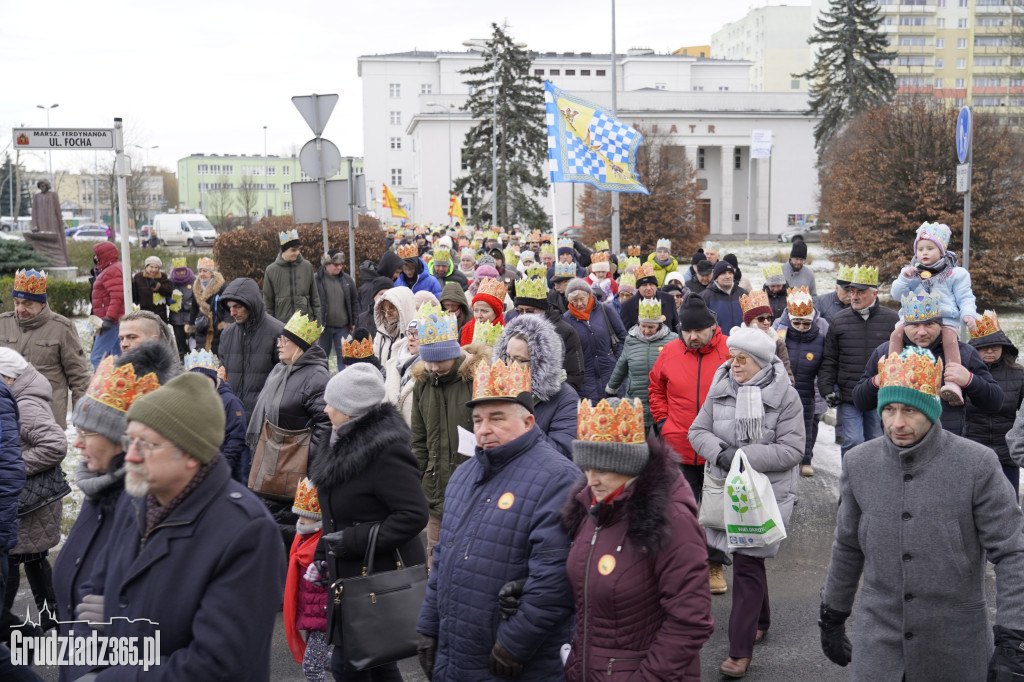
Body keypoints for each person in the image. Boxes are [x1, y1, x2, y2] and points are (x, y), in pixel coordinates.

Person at [820, 347, 1024, 681]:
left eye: (910, 411)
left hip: (955, 647)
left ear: (931, 412)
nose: (897, 423)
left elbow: (1012, 551)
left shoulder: (977, 465)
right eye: (889, 410)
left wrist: (1013, 639)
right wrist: (833, 612)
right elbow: (847, 545)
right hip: (879, 646)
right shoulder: (859, 463)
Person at [81, 371, 286, 680]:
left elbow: (218, 667)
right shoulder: (136, 498)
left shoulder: (247, 531)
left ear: (191, 454)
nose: (130, 456)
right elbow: (95, 590)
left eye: (146, 444)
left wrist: (111, 676)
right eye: (129, 440)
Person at [416, 359, 579, 681]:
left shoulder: (559, 479)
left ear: (529, 421)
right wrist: (428, 625)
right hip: (458, 650)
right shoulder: (464, 476)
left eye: (497, 418)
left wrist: (515, 642)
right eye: (477, 420)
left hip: (512, 658)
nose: (483, 429)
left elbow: (556, 577)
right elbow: (444, 558)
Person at [53, 340, 178, 682]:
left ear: (123, 441)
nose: (76, 443)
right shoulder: (99, 489)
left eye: (87, 433)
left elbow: (176, 629)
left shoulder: (144, 505)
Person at [563, 398, 713, 681]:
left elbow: (690, 622)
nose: (590, 480)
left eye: (602, 469)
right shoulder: (590, 508)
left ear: (629, 466)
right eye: (586, 468)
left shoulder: (672, 520)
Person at [688, 326, 804, 678]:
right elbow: (697, 431)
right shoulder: (721, 385)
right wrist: (721, 454)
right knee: (748, 558)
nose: (734, 364)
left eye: (742, 359)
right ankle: (761, 619)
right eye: (732, 357)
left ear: (762, 363)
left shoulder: (786, 396)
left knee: (749, 560)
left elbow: (793, 450)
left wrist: (744, 456)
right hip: (727, 485)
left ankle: (739, 650)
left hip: (767, 491)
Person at [311, 365, 429, 680]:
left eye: (332, 403)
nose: (325, 408)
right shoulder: (336, 440)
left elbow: (414, 514)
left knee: (351, 664)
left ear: (350, 411)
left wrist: (353, 541)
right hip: (349, 577)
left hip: (375, 576)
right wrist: (323, 555)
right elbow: (334, 512)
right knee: (376, 661)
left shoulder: (386, 451)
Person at [648, 295, 732, 594]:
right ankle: (680, 564)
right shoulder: (670, 351)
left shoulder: (730, 352)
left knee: (715, 510)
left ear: (713, 327)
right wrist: (662, 421)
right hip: (678, 444)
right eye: (686, 330)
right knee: (680, 509)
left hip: (717, 449)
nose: (692, 336)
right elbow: (656, 387)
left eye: (698, 330)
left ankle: (713, 564)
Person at [853, 293, 1003, 442]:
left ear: (940, 324)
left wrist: (970, 380)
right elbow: (860, 401)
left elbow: (995, 402)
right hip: (898, 443)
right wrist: (877, 380)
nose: (922, 332)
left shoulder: (964, 353)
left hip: (947, 444)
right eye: (915, 325)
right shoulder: (885, 353)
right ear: (904, 326)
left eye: (929, 324)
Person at [410, 303, 489, 562]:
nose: (433, 368)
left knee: (471, 557)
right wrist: (420, 477)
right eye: (428, 361)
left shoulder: (475, 379)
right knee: (437, 559)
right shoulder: (423, 385)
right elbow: (419, 438)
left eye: (439, 361)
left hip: (472, 486)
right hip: (436, 491)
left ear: (454, 354)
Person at [246, 312, 331, 549]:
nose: (279, 344)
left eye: (285, 340)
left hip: (292, 474)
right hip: (270, 467)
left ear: (300, 345)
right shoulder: (280, 370)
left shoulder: (316, 376)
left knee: (285, 534)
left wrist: (303, 463)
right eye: (279, 339)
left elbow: (325, 426)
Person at [0, 349, 66, 638]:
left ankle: (23, 632)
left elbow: (55, 444)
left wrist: (12, 466)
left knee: (13, 559)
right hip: (29, 498)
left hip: (30, 499)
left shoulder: (24, 404)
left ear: (8, 377)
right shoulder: (18, 397)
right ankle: (54, 621)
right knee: (34, 559)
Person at [889, 221, 977, 405]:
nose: (924, 253)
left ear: (942, 250)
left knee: (950, 338)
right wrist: (903, 279)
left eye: (930, 248)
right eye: (920, 249)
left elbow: (965, 297)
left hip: (944, 319)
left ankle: (953, 383)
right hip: (912, 319)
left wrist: (968, 314)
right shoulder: (911, 273)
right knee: (896, 334)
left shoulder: (956, 274)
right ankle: (893, 375)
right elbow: (896, 295)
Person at [818, 265, 900, 457]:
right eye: (851, 291)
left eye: (860, 292)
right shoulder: (839, 320)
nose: (854, 296)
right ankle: (850, 483)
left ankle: (873, 484)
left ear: (874, 293)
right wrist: (827, 388)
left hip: (879, 395)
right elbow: (829, 358)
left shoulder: (892, 320)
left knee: (876, 441)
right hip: (850, 395)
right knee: (853, 441)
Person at [0, 269, 91, 429]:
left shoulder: (62, 328)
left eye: (28, 304)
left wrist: (83, 417)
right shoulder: (3, 323)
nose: (20, 308)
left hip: (46, 419)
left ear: (42, 303)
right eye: (17, 302)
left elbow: (79, 377)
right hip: (6, 417)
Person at [494, 314, 578, 458]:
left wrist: (520, 424)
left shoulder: (567, 399)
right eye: (507, 357)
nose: (510, 365)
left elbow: (563, 453)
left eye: (520, 360)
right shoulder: (499, 389)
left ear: (540, 363)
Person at [966, 311, 1024, 494]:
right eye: (984, 347)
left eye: (995, 346)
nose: (990, 351)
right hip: (972, 453)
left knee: (1008, 506)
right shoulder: (963, 375)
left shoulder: (1019, 375)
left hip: (1006, 455)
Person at [776, 287, 828, 477]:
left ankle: (805, 459)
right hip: (783, 387)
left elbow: (825, 363)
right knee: (781, 423)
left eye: (805, 323)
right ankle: (781, 455)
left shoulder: (820, 338)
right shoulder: (781, 333)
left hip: (807, 387)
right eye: (796, 322)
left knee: (806, 423)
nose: (800, 326)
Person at [218, 277, 285, 421]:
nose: (232, 313)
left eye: (237, 306)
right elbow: (223, 374)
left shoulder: (278, 332)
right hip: (234, 419)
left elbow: (285, 379)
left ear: (252, 304)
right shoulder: (227, 335)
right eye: (230, 307)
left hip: (266, 419)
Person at [606, 299, 679, 430]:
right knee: (638, 440)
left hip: (663, 400)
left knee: (663, 442)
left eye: (651, 327)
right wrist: (612, 388)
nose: (646, 331)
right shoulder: (631, 339)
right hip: (636, 397)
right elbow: (622, 365)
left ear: (659, 325)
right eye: (643, 326)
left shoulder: (672, 339)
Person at [282, 477, 329, 682]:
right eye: (299, 515)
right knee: (328, 661)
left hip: (324, 618)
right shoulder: (302, 541)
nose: (300, 521)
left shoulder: (325, 546)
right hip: (312, 616)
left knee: (312, 668)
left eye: (306, 516)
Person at [184, 349, 250, 484]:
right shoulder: (189, 402)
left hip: (225, 473)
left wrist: (222, 467)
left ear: (213, 379)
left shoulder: (230, 402)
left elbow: (237, 438)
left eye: (205, 379)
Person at [510, 273, 584, 393]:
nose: (523, 315)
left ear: (542, 310)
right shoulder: (513, 331)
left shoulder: (565, 332)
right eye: (519, 311)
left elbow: (575, 374)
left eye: (529, 311)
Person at [562, 277, 626, 402]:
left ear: (589, 296)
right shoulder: (566, 320)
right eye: (575, 300)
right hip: (586, 382)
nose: (579, 304)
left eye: (582, 299)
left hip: (611, 374)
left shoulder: (605, 310)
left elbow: (623, 337)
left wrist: (617, 361)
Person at [263, 229, 321, 324]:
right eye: (293, 250)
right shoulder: (271, 270)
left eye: (298, 249)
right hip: (282, 325)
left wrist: (317, 323)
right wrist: (270, 326)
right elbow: (267, 303)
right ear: (283, 250)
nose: (297, 253)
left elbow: (315, 298)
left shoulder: (307, 266)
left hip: (305, 325)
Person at [739, 290, 794, 383]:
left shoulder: (778, 342)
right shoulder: (737, 341)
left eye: (769, 318)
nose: (766, 322)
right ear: (748, 321)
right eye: (761, 319)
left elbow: (787, 373)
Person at [315, 249, 359, 365]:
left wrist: (354, 322)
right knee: (321, 358)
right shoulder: (316, 280)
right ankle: (321, 381)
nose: (339, 267)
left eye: (341, 265)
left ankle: (343, 381)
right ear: (327, 264)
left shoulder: (347, 280)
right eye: (336, 265)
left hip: (343, 328)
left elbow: (354, 302)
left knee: (345, 358)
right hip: (323, 329)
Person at [89, 241, 125, 368]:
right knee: (118, 357)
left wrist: (109, 318)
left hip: (111, 321)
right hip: (114, 320)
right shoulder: (112, 268)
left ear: (105, 255)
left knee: (97, 357)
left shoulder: (112, 270)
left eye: (98, 255)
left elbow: (117, 296)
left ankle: (102, 385)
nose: (95, 257)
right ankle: (121, 384)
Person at [618, 263, 679, 332]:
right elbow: (625, 332)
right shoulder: (627, 306)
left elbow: (676, 326)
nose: (649, 288)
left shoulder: (669, 299)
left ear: (656, 286)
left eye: (651, 284)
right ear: (638, 288)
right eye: (644, 285)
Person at [187, 256, 229, 354]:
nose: (202, 274)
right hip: (201, 325)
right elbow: (194, 308)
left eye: (205, 271)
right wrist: (191, 326)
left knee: (216, 353)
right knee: (202, 354)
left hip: (217, 325)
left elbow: (227, 307)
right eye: (200, 271)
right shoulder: (196, 287)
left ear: (211, 273)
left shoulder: (221, 286)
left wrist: (226, 324)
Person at [384, 320, 421, 425]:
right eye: (409, 333)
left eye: (417, 334)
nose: (411, 338)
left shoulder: (432, 368)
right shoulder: (394, 363)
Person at [372, 286, 417, 368]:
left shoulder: (414, 335)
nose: (386, 315)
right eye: (383, 311)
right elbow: (375, 356)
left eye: (391, 310)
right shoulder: (381, 332)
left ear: (403, 309)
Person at [701, 260, 747, 335]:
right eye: (723, 273)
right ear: (716, 277)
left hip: (742, 342)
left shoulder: (744, 295)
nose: (728, 276)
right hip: (717, 343)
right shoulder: (704, 297)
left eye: (730, 273)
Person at [459, 278, 507, 346]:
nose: (478, 316)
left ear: (496, 313)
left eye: (484, 311)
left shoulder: (506, 333)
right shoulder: (465, 329)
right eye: (476, 310)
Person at [167, 257, 195, 361]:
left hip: (190, 317)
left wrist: (187, 304)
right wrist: (168, 301)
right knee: (180, 340)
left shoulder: (193, 280)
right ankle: (182, 359)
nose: (180, 273)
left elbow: (197, 298)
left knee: (192, 339)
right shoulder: (170, 282)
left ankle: (193, 358)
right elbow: (165, 294)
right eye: (178, 271)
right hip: (176, 317)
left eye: (182, 270)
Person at [131, 255, 174, 323]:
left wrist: (159, 287)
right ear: (146, 267)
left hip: (160, 313)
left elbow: (168, 291)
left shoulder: (163, 276)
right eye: (151, 267)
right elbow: (134, 295)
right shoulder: (139, 277)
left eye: (156, 267)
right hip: (144, 312)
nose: (154, 270)